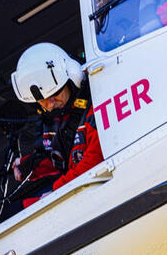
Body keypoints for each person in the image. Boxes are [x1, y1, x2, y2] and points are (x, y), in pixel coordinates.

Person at [9, 43, 104, 208]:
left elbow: (94, 160)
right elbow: (57, 156)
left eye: (54, 94)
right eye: (43, 100)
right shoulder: (54, 120)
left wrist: (56, 191)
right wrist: (27, 165)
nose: (50, 104)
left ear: (71, 78)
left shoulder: (95, 109)